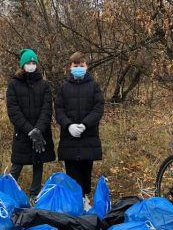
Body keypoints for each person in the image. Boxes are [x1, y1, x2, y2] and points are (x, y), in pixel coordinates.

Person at [55, 51, 105, 203]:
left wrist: (85, 124)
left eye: (81, 66)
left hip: (88, 137)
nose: (78, 68)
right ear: (70, 67)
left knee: (86, 171)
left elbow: (98, 108)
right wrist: (69, 125)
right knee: (72, 172)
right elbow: (59, 110)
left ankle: (85, 199)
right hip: (69, 139)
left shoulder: (94, 86)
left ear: (86, 66)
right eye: (75, 66)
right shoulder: (64, 88)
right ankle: (74, 202)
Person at [6, 48, 55, 197]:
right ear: (22, 64)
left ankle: (35, 194)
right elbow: (13, 111)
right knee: (17, 164)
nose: (31, 64)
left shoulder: (44, 85)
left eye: (34, 62)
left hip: (41, 132)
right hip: (22, 133)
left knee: (38, 162)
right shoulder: (14, 84)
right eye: (28, 62)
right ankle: (7, 194)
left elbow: (47, 109)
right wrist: (29, 130)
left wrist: (38, 130)